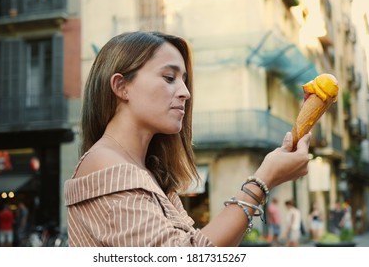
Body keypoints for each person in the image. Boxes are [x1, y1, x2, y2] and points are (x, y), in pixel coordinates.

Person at [64, 31, 311, 247]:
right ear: (121, 86)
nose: (185, 92)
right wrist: (262, 181)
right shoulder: (106, 165)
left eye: (184, 81)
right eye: (169, 78)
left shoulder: (146, 173)